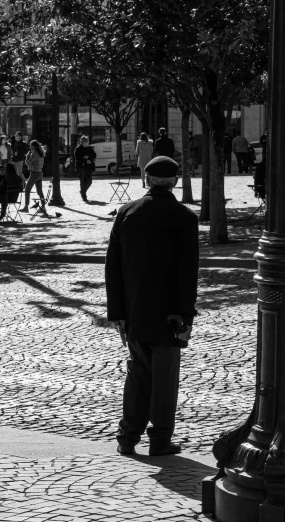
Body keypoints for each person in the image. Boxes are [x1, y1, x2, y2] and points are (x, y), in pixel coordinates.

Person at [105, 155, 199, 457]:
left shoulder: (126, 212)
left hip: (134, 311)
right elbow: (188, 272)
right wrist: (185, 315)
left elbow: (113, 267)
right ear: (174, 181)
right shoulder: (184, 216)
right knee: (165, 378)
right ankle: (160, 439)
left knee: (138, 374)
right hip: (169, 313)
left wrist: (117, 313)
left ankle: (127, 437)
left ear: (147, 180)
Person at [19, 139, 46, 213]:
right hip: (40, 173)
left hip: (34, 173)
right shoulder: (41, 153)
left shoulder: (34, 154)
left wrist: (27, 156)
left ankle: (26, 207)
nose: (30, 148)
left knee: (27, 190)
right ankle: (43, 207)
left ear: (33, 146)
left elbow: (28, 163)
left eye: (31, 146)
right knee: (40, 191)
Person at [74, 135, 97, 201]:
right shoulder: (78, 149)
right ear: (82, 142)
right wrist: (85, 160)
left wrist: (88, 157)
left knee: (89, 181)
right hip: (81, 167)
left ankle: (83, 191)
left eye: (87, 142)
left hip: (90, 167)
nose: (87, 143)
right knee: (83, 181)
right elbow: (77, 158)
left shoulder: (90, 148)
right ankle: (84, 196)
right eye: (85, 142)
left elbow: (94, 155)